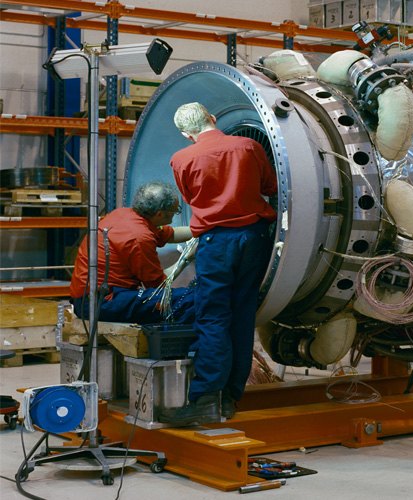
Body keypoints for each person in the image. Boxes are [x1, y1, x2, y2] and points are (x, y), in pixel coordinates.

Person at [162, 102, 277, 425]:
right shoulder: (249, 146)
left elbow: (192, 199)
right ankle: (230, 398)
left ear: (187, 134)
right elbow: (271, 186)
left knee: (213, 318)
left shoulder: (182, 159)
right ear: (212, 118)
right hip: (254, 239)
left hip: (217, 243)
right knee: (242, 316)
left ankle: (206, 398)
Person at [69, 181, 195, 325]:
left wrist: (202, 230)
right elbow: (160, 287)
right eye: (175, 211)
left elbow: (171, 234)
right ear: (160, 214)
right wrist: (187, 257)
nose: (175, 214)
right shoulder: (139, 237)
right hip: (101, 303)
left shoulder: (124, 215)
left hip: (89, 298)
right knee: (190, 299)